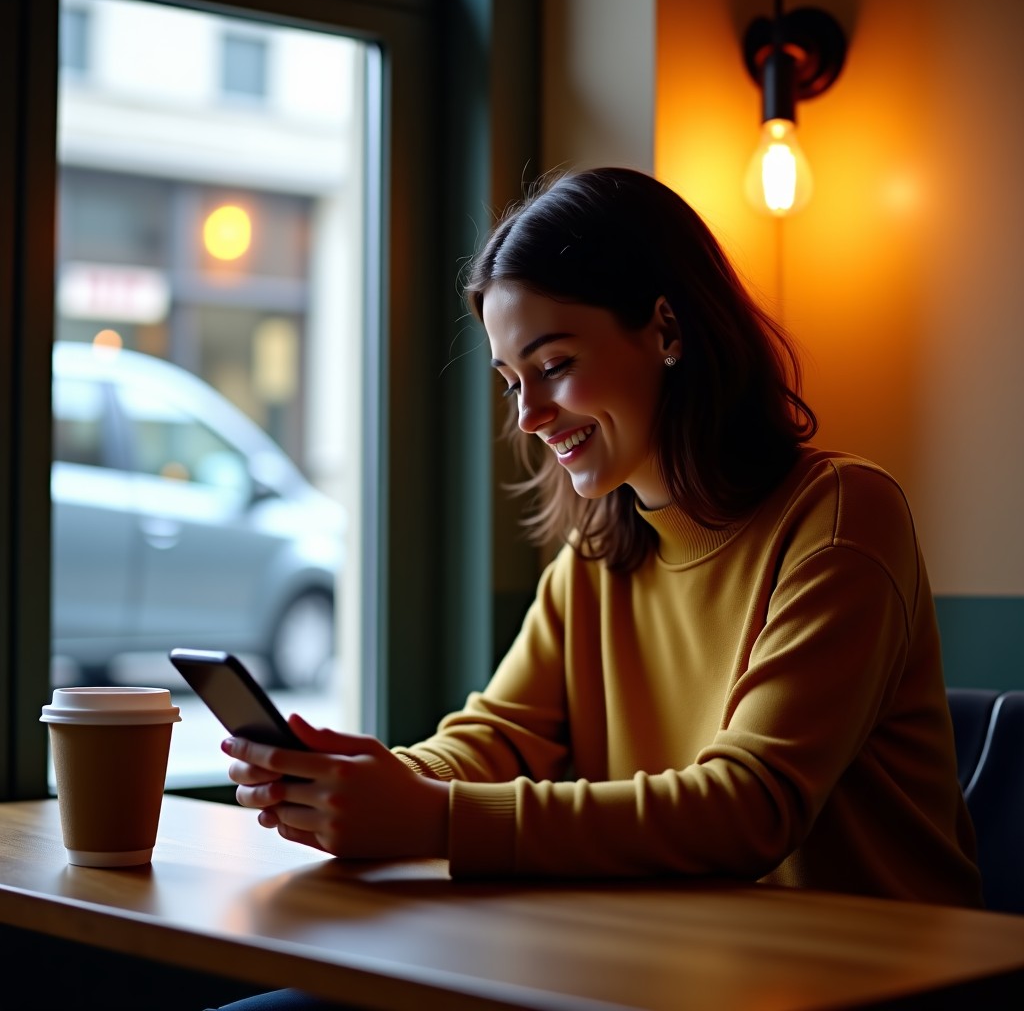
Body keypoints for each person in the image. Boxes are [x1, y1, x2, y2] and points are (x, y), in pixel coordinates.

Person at [209, 167, 981, 1009]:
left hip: (878, 984)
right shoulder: (600, 553)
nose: (529, 415)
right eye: (511, 381)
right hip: (670, 968)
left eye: (555, 365)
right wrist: (365, 782)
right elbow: (498, 738)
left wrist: (430, 817)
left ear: (667, 329)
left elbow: (750, 809)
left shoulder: (840, 516)